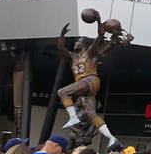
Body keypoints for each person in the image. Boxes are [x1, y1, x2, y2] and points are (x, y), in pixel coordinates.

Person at [56, 12, 133, 144]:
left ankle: (73, 117)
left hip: (89, 80)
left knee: (62, 92)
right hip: (87, 86)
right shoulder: (73, 57)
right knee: (92, 115)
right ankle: (111, 138)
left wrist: (98, 20)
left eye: (79, 41)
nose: (76, 43)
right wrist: (62, 35)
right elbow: (61, 48)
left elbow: (100, 37)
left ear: (84, 44)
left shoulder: (89, 52)